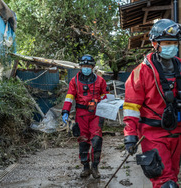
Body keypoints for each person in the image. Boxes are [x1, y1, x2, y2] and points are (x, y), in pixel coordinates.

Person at [123, 19, 181, 188]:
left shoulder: (180, 67)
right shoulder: (141, 72)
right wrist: (130, 136)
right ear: (155, 43)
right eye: (167, 43)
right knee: (165, 181)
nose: (172, 46)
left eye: (174, 43)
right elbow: (131, 108)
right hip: (153, 134)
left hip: (177, 132)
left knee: (173, 175)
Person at [62, 54, 109, 179]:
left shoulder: (100, 81)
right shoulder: (74, 81)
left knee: (96, 139)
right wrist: (65, 111)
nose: (86, 68)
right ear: (80, 66)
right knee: (83, 140)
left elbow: (106, 96)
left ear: (93, 67)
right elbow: (69, 97)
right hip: (81, 114)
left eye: (88, 66)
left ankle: (95, 167)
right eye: (84, 66)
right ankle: (85, 167)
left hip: (96, 114)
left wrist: (113, 104)